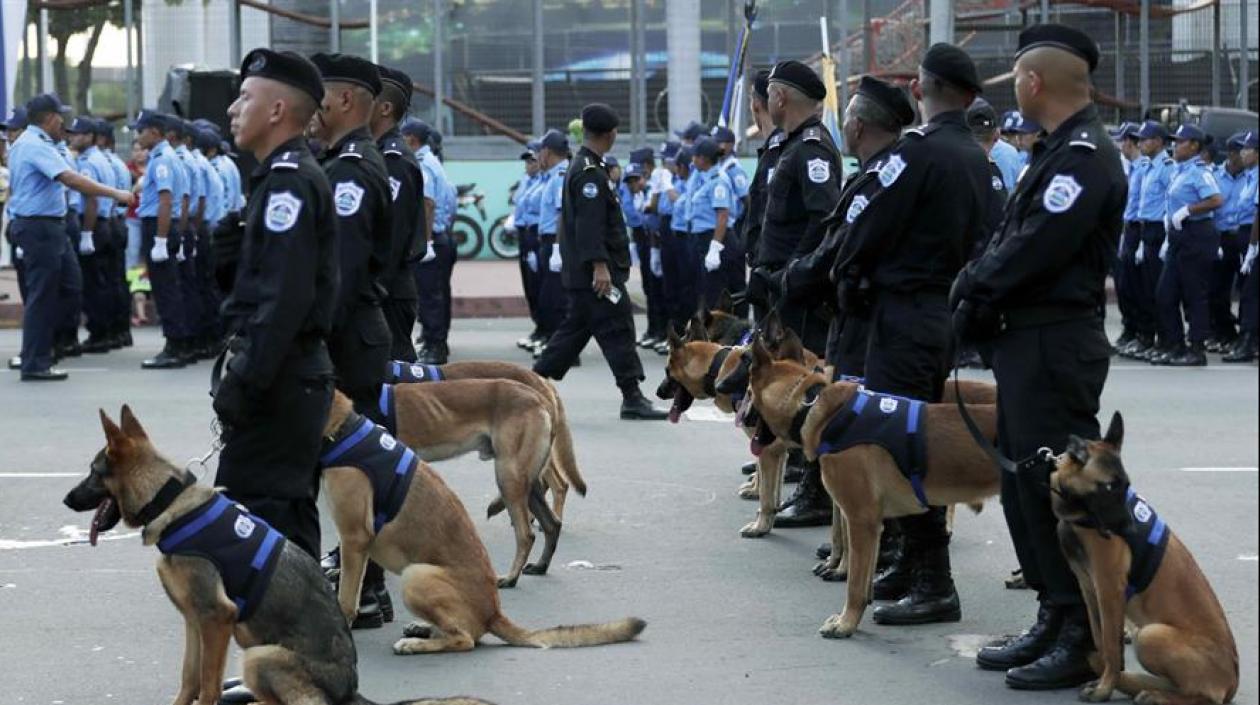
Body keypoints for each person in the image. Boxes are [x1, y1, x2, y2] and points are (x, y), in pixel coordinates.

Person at [951, 25, 1126, 690]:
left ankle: (1082, 633)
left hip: (1057, 342)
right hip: (1028, 340)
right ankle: (1055, 613)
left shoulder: (1083, 156)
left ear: (1032, 83)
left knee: (1059, 491)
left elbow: (1036, 245)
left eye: (1016, 78)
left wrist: (972, 284)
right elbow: (1012, 233)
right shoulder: (1053, 152)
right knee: (1028, 486)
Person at [833, 44, 993, 626]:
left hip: (900, 314)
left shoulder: (914, 154)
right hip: (940, 312)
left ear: (922, 89)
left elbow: (866, 227)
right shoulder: (976, 157)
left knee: (903, 444)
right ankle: (906, 561)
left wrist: (844, 275)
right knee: (913, 435)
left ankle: (933, 580)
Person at [213, 49, 339, 704]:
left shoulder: (289, 182)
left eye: (244, 98)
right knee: (283, 527)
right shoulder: (275, 179)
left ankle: (296, 671)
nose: (233, 109)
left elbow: (284, 303)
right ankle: (298, 670)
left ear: (278, 109)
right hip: (288, 377)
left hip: (281, 380)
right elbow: (262, 285)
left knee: (261, 526)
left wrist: (244, 382)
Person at [532, 104, 667, 420]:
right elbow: (589, 226)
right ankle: (632, 396)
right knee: (618, 328)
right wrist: (600, 266)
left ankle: (530, 383)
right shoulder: (589, 173)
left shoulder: (587, 167)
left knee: (573, 333)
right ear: (610, 134)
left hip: (587, 274)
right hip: (595, 274)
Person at [7, 93, 133, 380]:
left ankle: (46, 350)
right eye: (60, 116)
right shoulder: (34, 144)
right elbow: (70, 179)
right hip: (39, 226)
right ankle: (35, 362)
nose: (63, 123)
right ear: (49, 118)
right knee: (42, 294)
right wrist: (114, 193)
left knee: (69, 286)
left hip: (48, 226)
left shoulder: (33, 143)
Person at [309, 52, 393, 427]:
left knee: (353, 464)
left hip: (346, 343)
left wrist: (307, 340)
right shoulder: (338, 162)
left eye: (316, 95)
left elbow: (340, 272)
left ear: (344, 100)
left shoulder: (350, 171)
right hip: (350, 338)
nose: (309, 105)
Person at [752, 60, 843, 357]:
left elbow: (823, 220)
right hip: (778, 284)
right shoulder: (789, 145)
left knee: (797, 379)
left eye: (769, 94)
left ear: (780, 98)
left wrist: (793, 271)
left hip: (799, 291)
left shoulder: (810, 148)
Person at [1150, 123, 1223, 367]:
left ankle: (1196, 348)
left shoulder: (1199, 171)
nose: (1175, 146)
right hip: (1178, 237)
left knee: (1195, 294)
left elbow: (1215, 199)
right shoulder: (1180, 171)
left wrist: (1189, 210)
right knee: (1165, 293)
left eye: (1180, 142)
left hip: (1197, 235)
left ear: (1194, 146)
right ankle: (1174, 344)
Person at [371, 64, 427, 363]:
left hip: (387, 291)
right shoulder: (374, 153)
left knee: (395, 381)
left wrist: (370, 291)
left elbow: (390, 238)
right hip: (382, 288)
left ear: (384, 108)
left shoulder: (392, 160)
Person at [132, 110, 192, 369]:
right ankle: (179, 344)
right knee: (170, 289)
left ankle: (174, 347)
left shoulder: (162, 160)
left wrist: (160, 238)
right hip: (165, 227)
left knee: (166, 290)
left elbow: (166, 200)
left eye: (141, 131)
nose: (138, 136)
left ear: (154, 132)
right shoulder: (169, 157)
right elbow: (183, 199)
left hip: (159, 227)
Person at [402, 118, 455, 364]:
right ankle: (435, 341)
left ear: (411, 139)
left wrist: (426, 240)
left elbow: (427, 203)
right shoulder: (432, 162)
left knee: (430, 296)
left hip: (432, 240)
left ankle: (435, 348)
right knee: (436, 295)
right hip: (440, 236)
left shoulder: (422, 165)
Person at [65, 115, 117, 354]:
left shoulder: (87, 163)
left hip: (94, 224)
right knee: (102, 281)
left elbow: (92, 201)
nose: (73, 137)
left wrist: (86, 232)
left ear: (90, 137)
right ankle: (106, 332)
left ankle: (99, 334)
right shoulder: (103, 158)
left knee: (92, 284)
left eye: (78, 134)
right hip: (106, 223)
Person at [1126, 120, 1176, 360]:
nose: (1141, 144)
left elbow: (1170, 202)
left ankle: (1166, 339)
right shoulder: (1147, 166)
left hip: (1159, 231)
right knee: (1145, 289)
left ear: (1158, 141)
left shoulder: (1167, 167)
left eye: (1145, 139)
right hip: (1145, 230)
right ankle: (1150, 336)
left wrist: (1166, 239)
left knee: (1160, 290)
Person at [743, 69, 782, 325]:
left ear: (756, 104)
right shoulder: (771, 151)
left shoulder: (785, 151)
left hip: (778, 273)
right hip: (765, 270)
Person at [1207, 133, 1253, 351]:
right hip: (1222, 238)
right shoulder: (1215, 176)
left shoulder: (1251, 176)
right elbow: (1210, 208)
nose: (1243, 156)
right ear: (1232, 154)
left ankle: (1245, 337)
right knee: (1216, 290)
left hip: (1245, 237)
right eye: (1240, 152)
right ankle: (1224, 331)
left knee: (1247, 290)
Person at [95, 118, 135, 350]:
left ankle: (105, 333)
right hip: (116, 220)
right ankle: (120, 331)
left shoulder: (94, 161)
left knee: (101, 282)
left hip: (102, 222)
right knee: (116, 279)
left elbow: (91, 201)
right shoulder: (116, 162)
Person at [533, 128, 572, 357]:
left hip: (557, 242)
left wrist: (557, 248)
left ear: (547, 152)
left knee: (557, 298)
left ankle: (564, 350)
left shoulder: (560, 176)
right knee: (549, 296)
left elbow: (561, 215)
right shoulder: (553, 175)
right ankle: (555, 343)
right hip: (549, 242)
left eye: (540, 152)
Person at [1114, 122, 1152, 356]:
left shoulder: (1144, 167)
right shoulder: (1131, 167)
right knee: (1124, 284)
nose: (1120, 145)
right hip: (1126, 228)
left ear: (1130, 141)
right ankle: (1131, 329)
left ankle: (1144, 333)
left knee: (1139, 287)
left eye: (1122, 140)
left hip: (1140, 229)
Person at [627, 147, 668, 348]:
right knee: (650, 288)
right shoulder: (642, 189)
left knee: (662, 290)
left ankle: (662, 331)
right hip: (646, 240)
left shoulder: (657, 185)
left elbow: (654, 215)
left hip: (659, 241)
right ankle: (654, 329)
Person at [708, 125, 749, 312]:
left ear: (731, 145)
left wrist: (743, 233)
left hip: (734, 227)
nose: (716, 146)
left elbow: (747, 201)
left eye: (719, 143)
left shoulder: (733, 169)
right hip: (724, 227)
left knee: (736, 285)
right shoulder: (719, 167)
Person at [513, 140, 544, 351]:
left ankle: (545, 328)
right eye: (527, 161)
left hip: (538, 236)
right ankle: (539, 327)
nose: (529, 165)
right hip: (524, 234)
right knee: (530, 285)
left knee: (541, 286)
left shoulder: (547, 181)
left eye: (532, 160)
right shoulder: (527, 181)